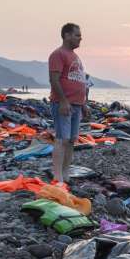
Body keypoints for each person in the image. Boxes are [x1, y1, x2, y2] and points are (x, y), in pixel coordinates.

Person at [48, 23, 90, 184]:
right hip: (62, 103)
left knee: (72, 140)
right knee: (62, 139)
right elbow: (54, 79)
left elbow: (79, 80)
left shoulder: (75, 57)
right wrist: (64, 101)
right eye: (77, 35)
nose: (80, 38)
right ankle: (57, 175)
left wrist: (84, 103)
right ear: (66, 35)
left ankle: (66, 173)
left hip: (77, 105)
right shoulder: (58, 54)